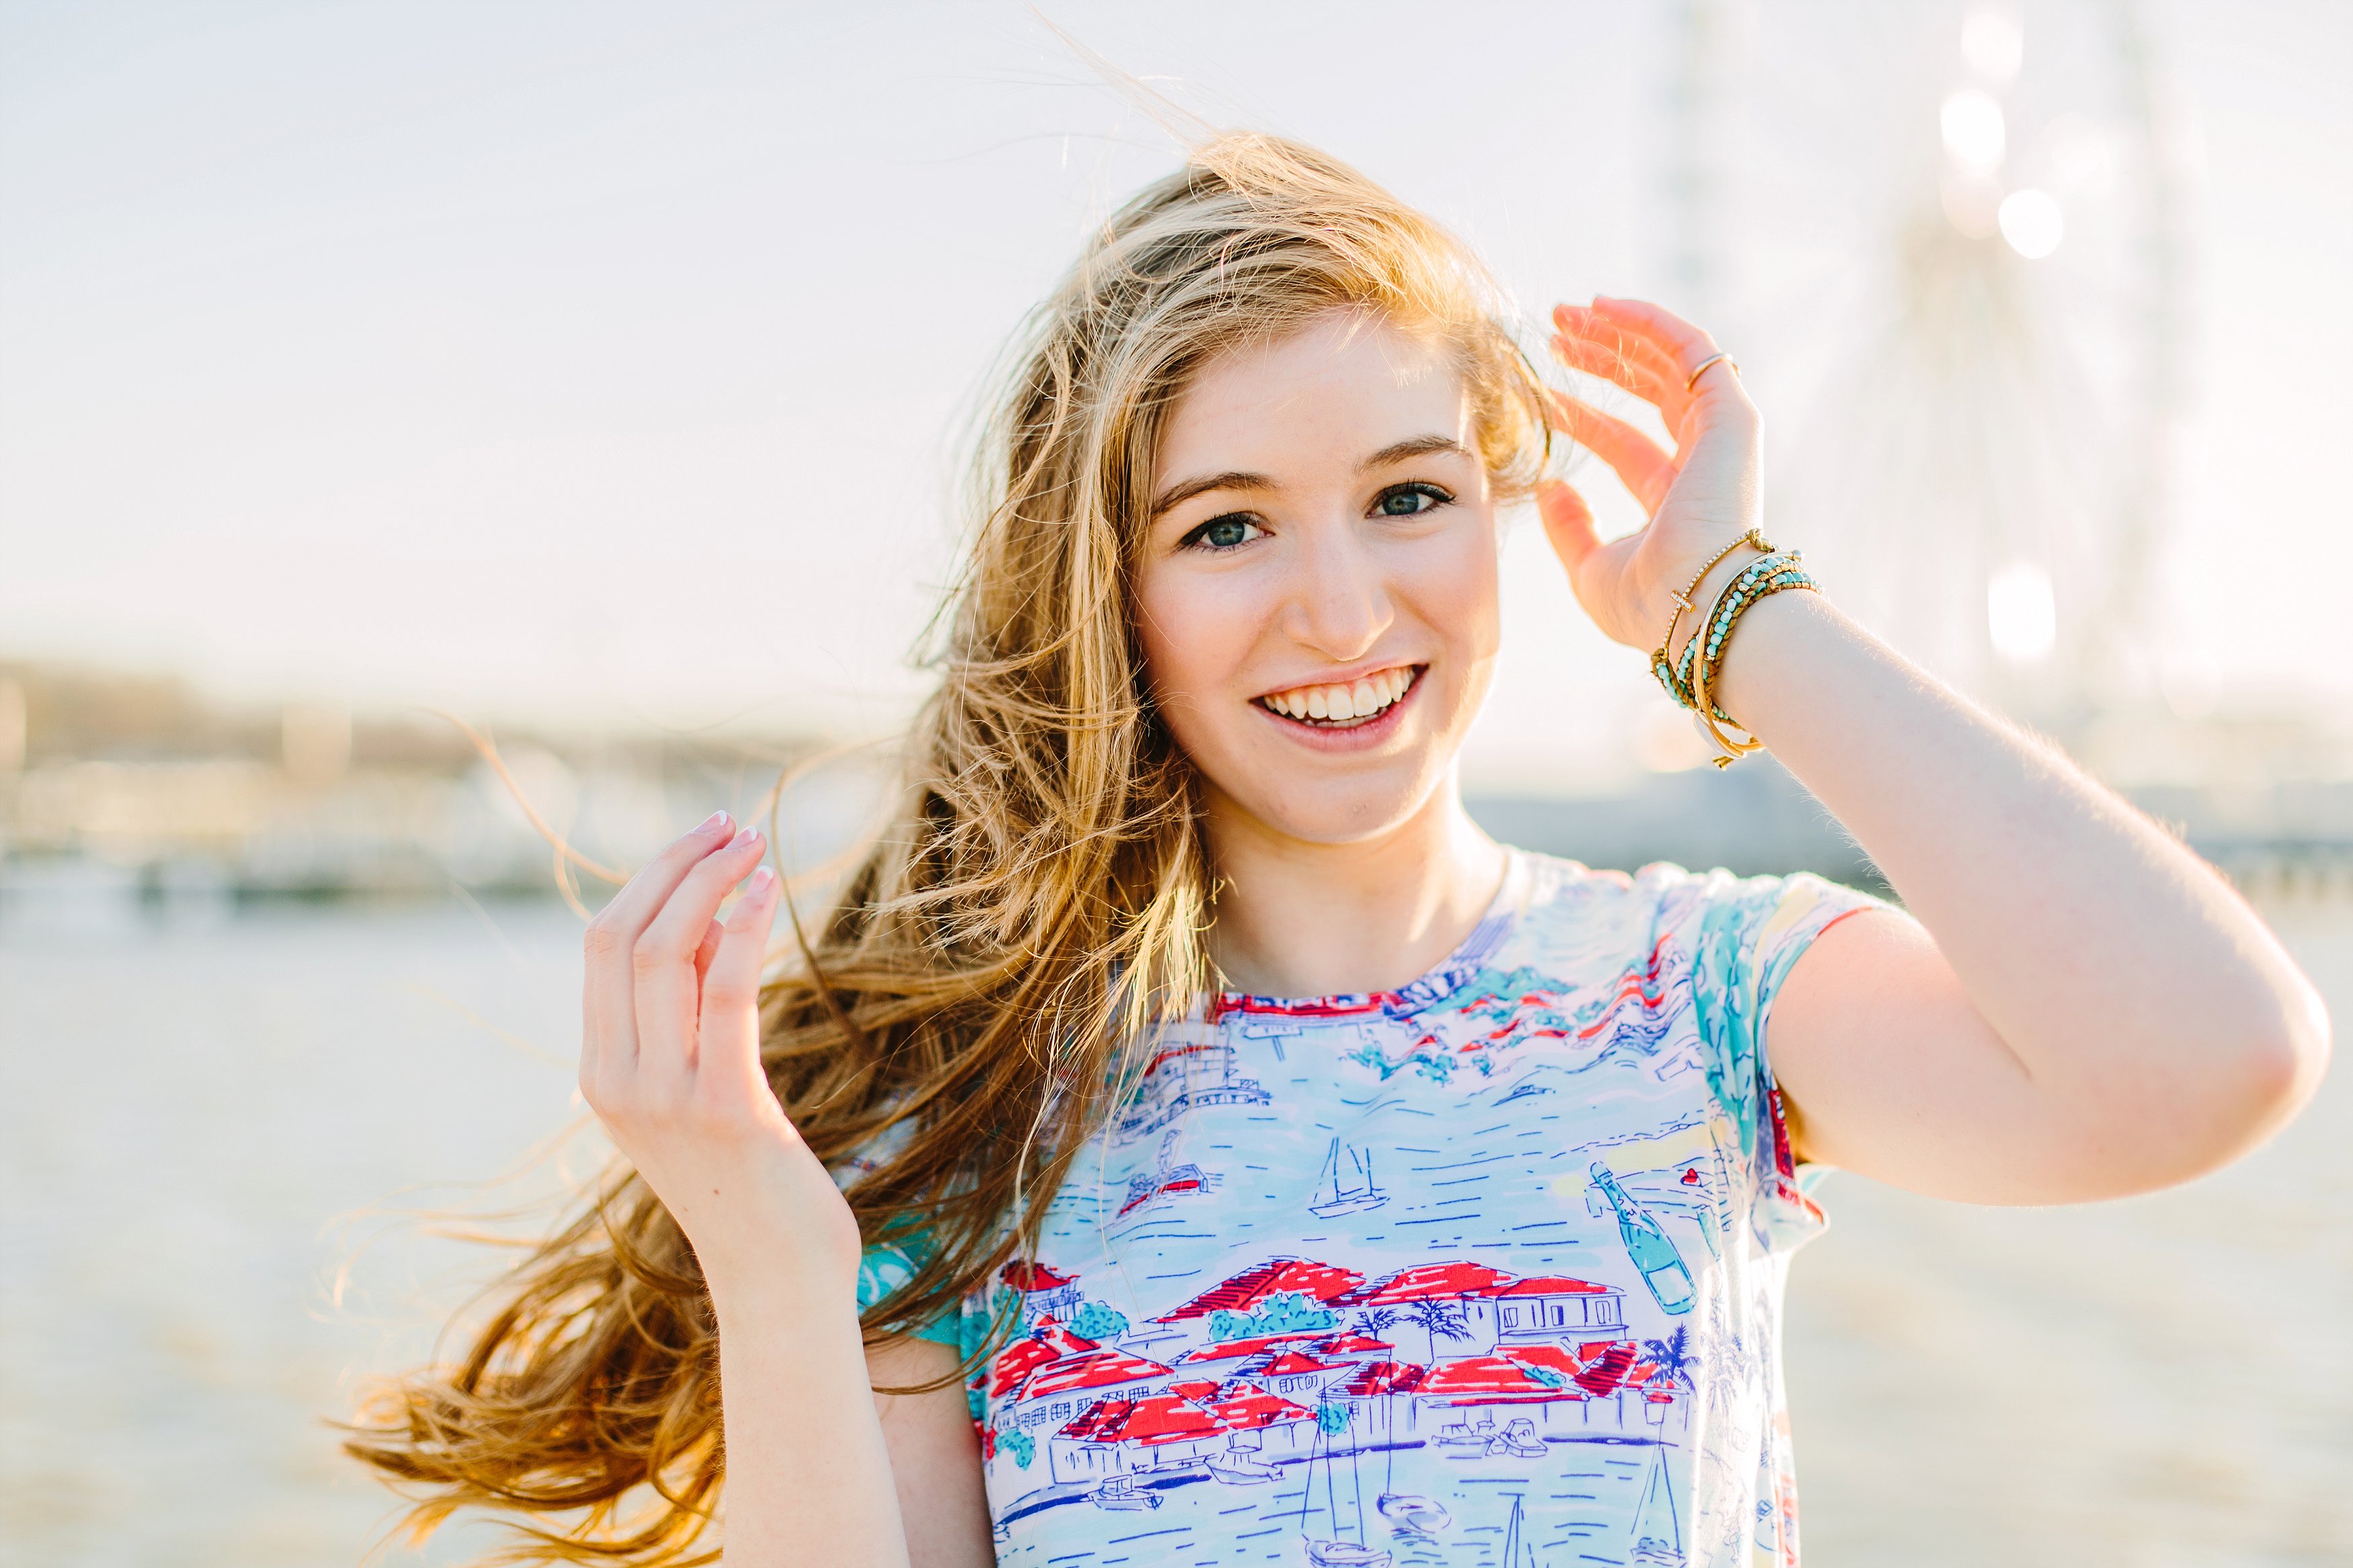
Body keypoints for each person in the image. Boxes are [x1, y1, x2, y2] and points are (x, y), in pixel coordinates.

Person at [346, 134, 2329, 1568]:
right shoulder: (963, 1123)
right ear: (1102, 593)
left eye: (1407, 495)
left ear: (1504, 514)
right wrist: (771, 1253)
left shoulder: (1696, 998)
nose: (1338, 607)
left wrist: (1728, 605)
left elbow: (2205, 1060)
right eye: (1225, 526)